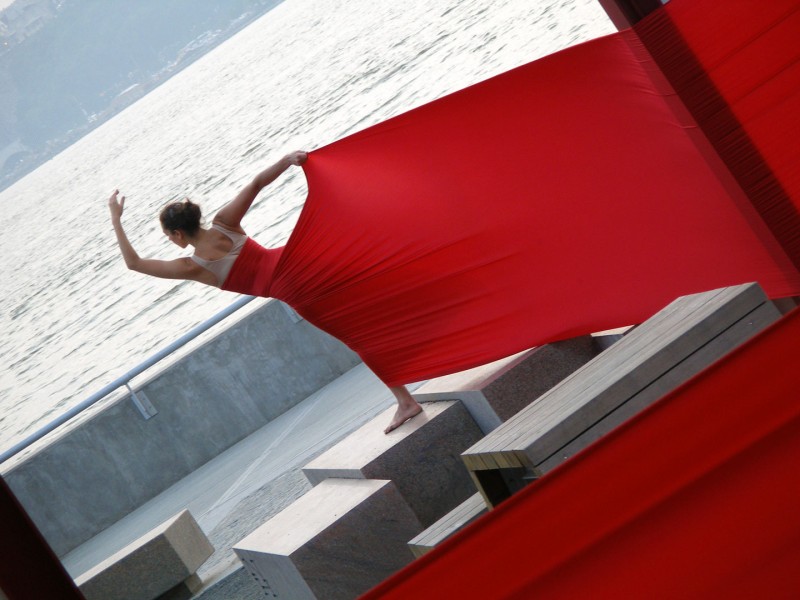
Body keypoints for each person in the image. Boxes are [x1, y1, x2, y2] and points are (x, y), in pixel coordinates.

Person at [108, 151, 423, 434]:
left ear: (177, 233)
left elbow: (134, 263)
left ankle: (405, 401)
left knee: (358, 336)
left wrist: (115, 219)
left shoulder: (193, 266)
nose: (169, 240)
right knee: (377, 284)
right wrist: (289, 160)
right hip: (301, 258)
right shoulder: (224, 224)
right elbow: (257, 182)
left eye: (167, 235)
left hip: (294, 288)